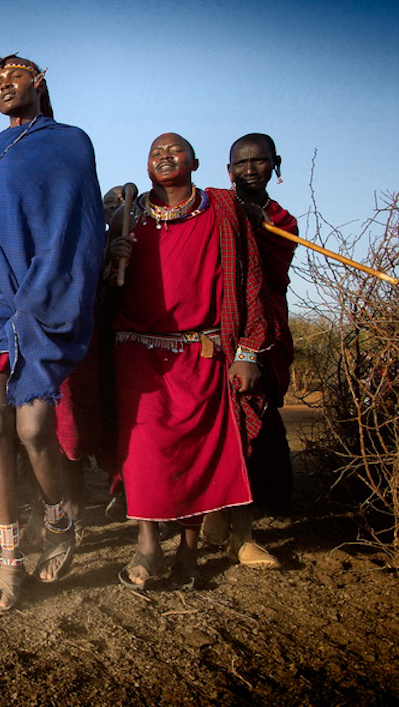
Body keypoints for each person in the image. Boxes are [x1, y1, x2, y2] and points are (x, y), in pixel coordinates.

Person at [0, 55, 105, 609]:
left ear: (39, 84)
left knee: (35, 428)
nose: (4, 86)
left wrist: (43, 291)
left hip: (42, 294)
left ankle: (59, 517)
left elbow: (77, 225)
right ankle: (9, 557)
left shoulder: (69, 141)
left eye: (13, 78)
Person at [108, 133, 273, 590]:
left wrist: (246, 352)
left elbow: (249, 281)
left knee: (195, 455)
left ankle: (189, 551)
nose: (163, 156)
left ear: (195, 162)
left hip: (201, 351)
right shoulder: (127, 216)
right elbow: (100, 285)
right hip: (136, 351)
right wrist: (109, 255)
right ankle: (146, 546)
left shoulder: (222, 211)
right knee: (142, 452)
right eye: (154, 151)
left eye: (173, 150)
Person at [197, 133, 294, 569]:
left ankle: (250, 521)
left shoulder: (282, 220)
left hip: (263, 332)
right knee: (212, 425)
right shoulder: (211, 210)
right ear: (228, 170)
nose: (250, 169)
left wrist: (254, 226)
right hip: (213, 330)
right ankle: (214, 512)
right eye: (241, 163)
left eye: (259, 161)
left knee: (256, 422)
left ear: (276, 164)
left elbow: (270, 274)